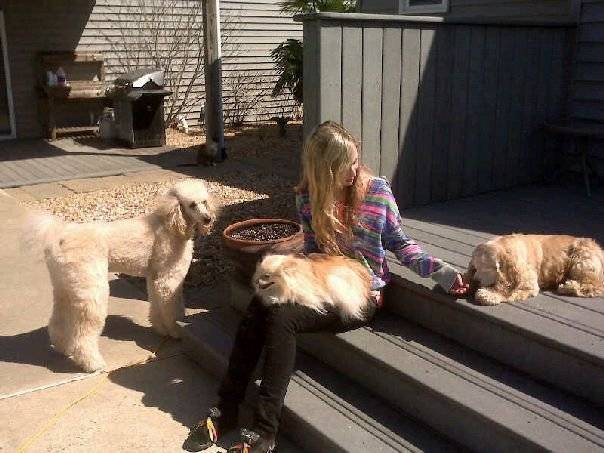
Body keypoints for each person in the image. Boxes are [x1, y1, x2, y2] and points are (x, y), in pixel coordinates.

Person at [183, 121, 469, 453]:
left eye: (356, 160)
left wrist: (442, 272)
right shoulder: (308, 196)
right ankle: (226, 409)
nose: (355, 170)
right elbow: (312, 248)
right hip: (320, 279)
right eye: (345, 164)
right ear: (324, 169)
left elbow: (401, 245)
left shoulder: (376, 192)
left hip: (358, 293)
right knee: (261, 301)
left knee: (281, 318)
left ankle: (264, 431)